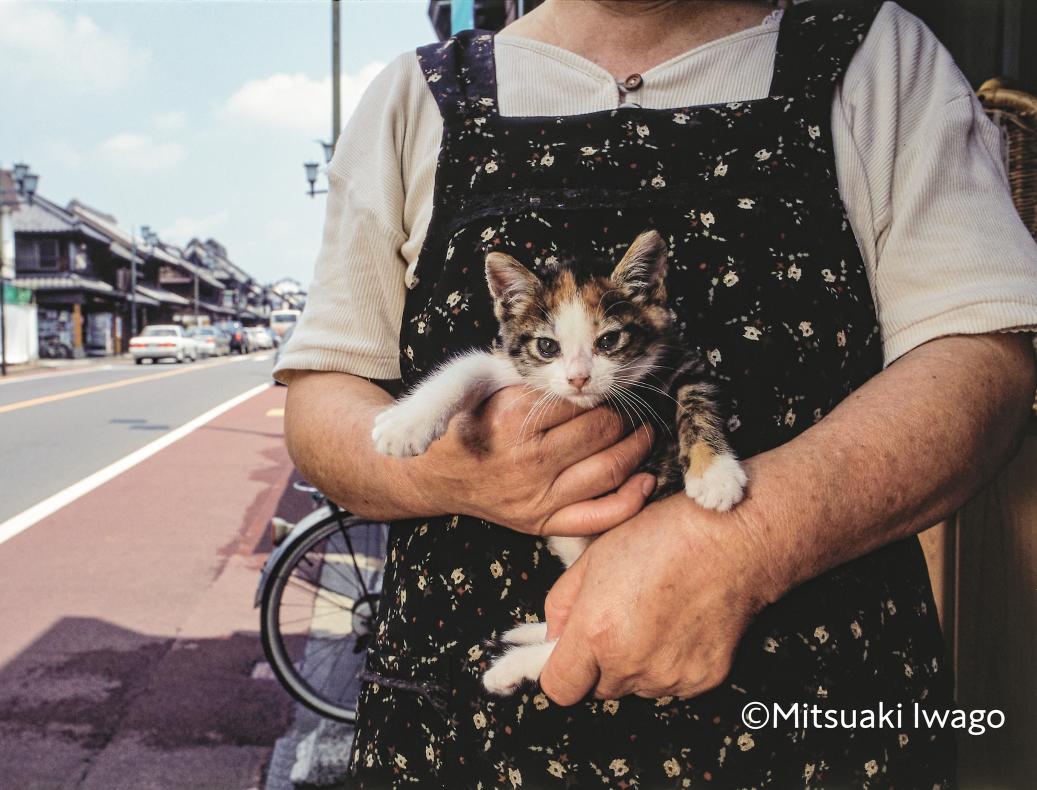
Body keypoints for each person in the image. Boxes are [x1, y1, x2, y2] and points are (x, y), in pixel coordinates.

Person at [275, 0, 1037, 786]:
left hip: (814, 726)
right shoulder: (415, 96)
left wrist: (743, 544)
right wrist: (447, 471)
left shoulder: (876, 56)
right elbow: (321, 400)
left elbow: (986, 358)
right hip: (460, 733)